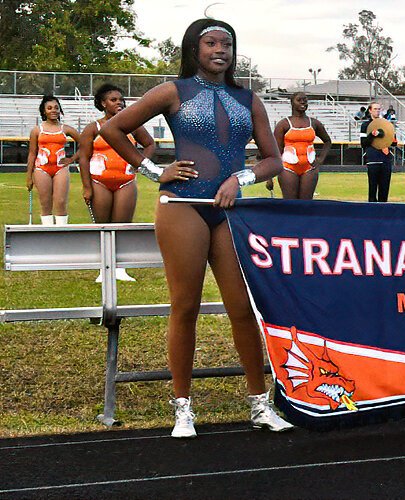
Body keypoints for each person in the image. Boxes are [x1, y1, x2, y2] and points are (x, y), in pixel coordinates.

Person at [99, 18, 292, 438]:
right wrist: (153, 171)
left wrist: (239, 179)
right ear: (194, 49)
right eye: (210, 43)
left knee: (242, 308)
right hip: (183, 206)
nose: (219, 49)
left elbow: (273, 160)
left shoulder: (249, 98)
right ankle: (183, 408)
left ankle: (260, 404)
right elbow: (113, 128)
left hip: (229, 210)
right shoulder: (173, 90)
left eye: (227, 43)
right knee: (184, 306)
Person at [78, 84, 155, 230]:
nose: (119, 102)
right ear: (103, 103)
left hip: (126, 182)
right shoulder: (93, 128)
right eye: (113, 100)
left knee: (122, 229)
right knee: (102, 229)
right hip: (99, 183)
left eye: (121, 99)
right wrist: (87, 188)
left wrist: (141, 165)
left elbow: (150, 144)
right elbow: (83, 158)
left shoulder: (133, 125)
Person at [28, 95, 79, 225]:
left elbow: (85, 144)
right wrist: (29, 176)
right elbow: (32, 153)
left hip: (60, 168)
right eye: (49, 108)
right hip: (41, 169)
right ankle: (47, 234)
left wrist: (72, 159)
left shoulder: (66, 129)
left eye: (56, 107)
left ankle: (62, 233)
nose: (54, 110)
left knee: (61, 201)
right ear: (44, 111)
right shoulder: (37, 130)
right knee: (45, 203)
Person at [270, 92, 330, 200]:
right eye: (299, 100)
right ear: (292, 102)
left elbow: (327, 141)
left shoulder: (314, 123)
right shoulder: (283, 124)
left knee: (306, 204)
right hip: (287, 168)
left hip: (309, 167)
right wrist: (270, 177)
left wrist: (320, 160)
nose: (303, 102)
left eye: (305, 100)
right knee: (290, 204)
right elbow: (275, 151)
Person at [358, 101, 394, 202]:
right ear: (370, 110)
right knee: (372, 189)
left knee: (384, 189)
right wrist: (372, 135)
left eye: (379, 109)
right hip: (373, 160)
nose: (377, 111)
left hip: (385, 160)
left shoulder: (386, 124)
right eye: (375, 109)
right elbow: (363, 143)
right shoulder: (365, 125)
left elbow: (393, 142)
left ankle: (384, 213)